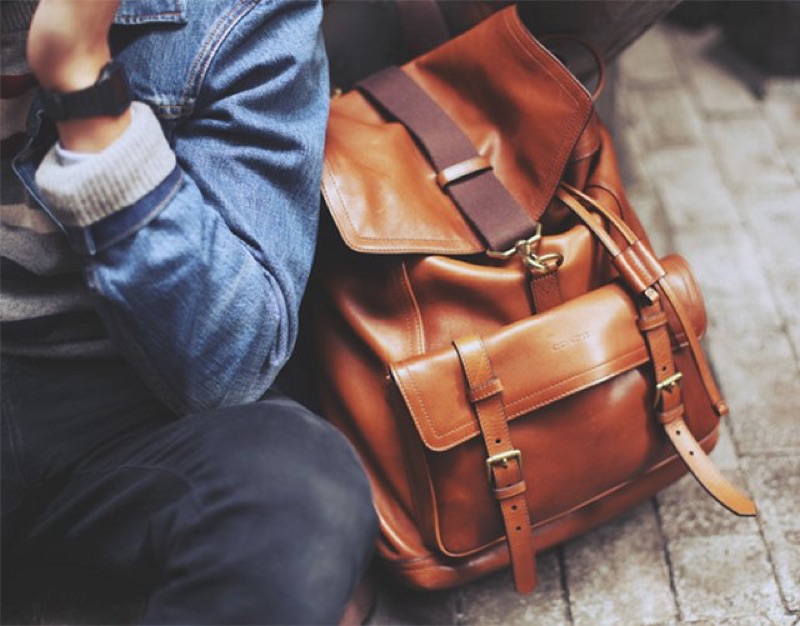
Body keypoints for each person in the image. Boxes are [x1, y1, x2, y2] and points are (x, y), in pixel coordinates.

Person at [1, 0, 378, 623]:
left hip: (126, 398)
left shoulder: (234, 13)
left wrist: (83, 85)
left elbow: (229, 365)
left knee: (297, 496)